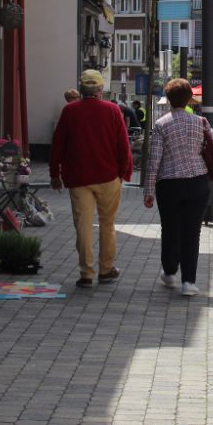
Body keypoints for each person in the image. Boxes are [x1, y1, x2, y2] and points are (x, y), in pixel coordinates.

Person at [50, 69, 132, 288]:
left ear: (82, 90)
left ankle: (86, 273)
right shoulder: (113, 110)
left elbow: (58, 144)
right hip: (108, 177)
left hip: (78, 177)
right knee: (107, 224)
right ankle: (106, 270)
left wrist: (54, 174)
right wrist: (125, 172)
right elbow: (123, 144)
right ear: (99, 89)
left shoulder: (70, 112)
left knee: (83, 226)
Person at [143, 78, 213, 296]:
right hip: (198, 182)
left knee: (169, 229)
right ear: (189, 99)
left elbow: (154, 160)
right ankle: (189, 282)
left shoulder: (161, 124)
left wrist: (149, 191)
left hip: (169, 185)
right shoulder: (201, 123)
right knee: (192, 232)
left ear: (168, 99)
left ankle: (169, 273)